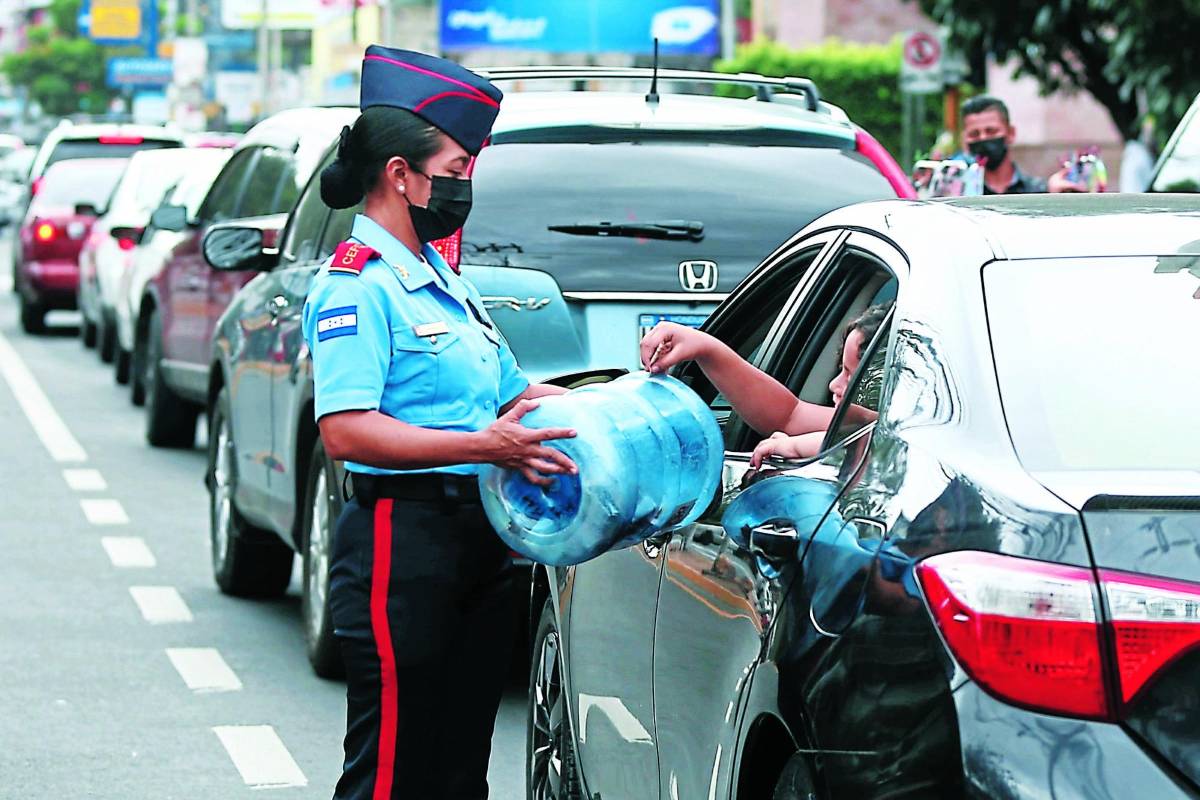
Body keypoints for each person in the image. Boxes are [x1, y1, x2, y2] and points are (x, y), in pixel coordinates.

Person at [302, 46, 578, 800]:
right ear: (400, 174)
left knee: (461, 772)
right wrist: (484, 444)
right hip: (404, 545)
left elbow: (512, 397)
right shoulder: (359, 287)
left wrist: (620, 399)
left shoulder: (445, 283)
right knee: (393, 771)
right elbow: (347, 431)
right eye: (455, 171)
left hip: (481, 545)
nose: (464, 188)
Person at [640, 302, 893, 469]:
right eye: (841, 371)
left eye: (851, 375)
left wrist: (793, 446)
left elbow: (876, 445)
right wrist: (705, 348)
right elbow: (789, 415)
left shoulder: (902, 449)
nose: (834, 384)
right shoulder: (863, 420)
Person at [960, 95, 1086, 194]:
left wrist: (1056, 198)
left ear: (1011, 133)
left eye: (991, 131)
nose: (983, 138)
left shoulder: (1039, 192)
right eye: (974, 134)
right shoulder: (959, 194)